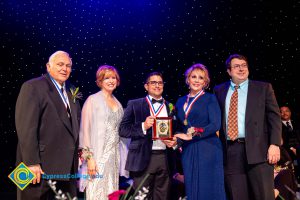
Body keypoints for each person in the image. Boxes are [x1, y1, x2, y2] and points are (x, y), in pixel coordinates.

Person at [213, 54, 282, 200]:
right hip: (231, 152)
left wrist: (275, 144)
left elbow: (274, 117)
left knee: (264, 195)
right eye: (236, 66)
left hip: (260, 150)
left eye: (244, 65)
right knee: (237, 196)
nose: (241, 69)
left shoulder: (263, 88)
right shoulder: (219, 90)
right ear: (229, 71)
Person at [15, 51, 81, 200]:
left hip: (66, 168)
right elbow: (26, 128)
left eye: (68, 66)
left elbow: (73, 126)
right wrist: (31, 163)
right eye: (60, 64)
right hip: (37, 167)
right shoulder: (33, 86)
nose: (64, 68)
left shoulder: (72, 89)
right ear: (48, 66)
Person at [119, 72, 177, 200]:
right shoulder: (134, 104)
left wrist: (175, 141)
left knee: (162, 196)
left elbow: (176, 130)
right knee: (142, 196)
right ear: (146, 86)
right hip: (142, 158)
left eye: (160, 83)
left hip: (164, 158)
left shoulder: (170, 106)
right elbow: (123, 130)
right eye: (153, 82)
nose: (157, 85)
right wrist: (143, 126)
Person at [174, 64, 226, 200]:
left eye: (201, 78)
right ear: (188, 79)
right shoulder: (179, 101)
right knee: (191, 185)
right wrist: (176, 138)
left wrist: (193, 134)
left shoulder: (210, 98)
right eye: (194, 77)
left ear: (205, 82)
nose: (197, 80)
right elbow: (179, 125)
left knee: (209, 186)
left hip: (207, 147)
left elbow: (215, 124)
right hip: (188, 149)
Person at [78, 65, 124, 199]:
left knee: (111, 192)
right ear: (100, 81)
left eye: (113, 77)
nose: (111, 81)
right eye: (106, 78)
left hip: (114, 157)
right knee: (96, 192)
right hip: (97, 158)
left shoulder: (118, 103)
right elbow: (84, 132)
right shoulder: (92, 100)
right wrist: (89, 159)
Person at [280, 105, 300, 182]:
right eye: (281, 112)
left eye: (286, 111)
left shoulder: (296, 124)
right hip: (286, 154)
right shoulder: (277, 126)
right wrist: (292, 149)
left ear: (290, 112)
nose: (284, 113)